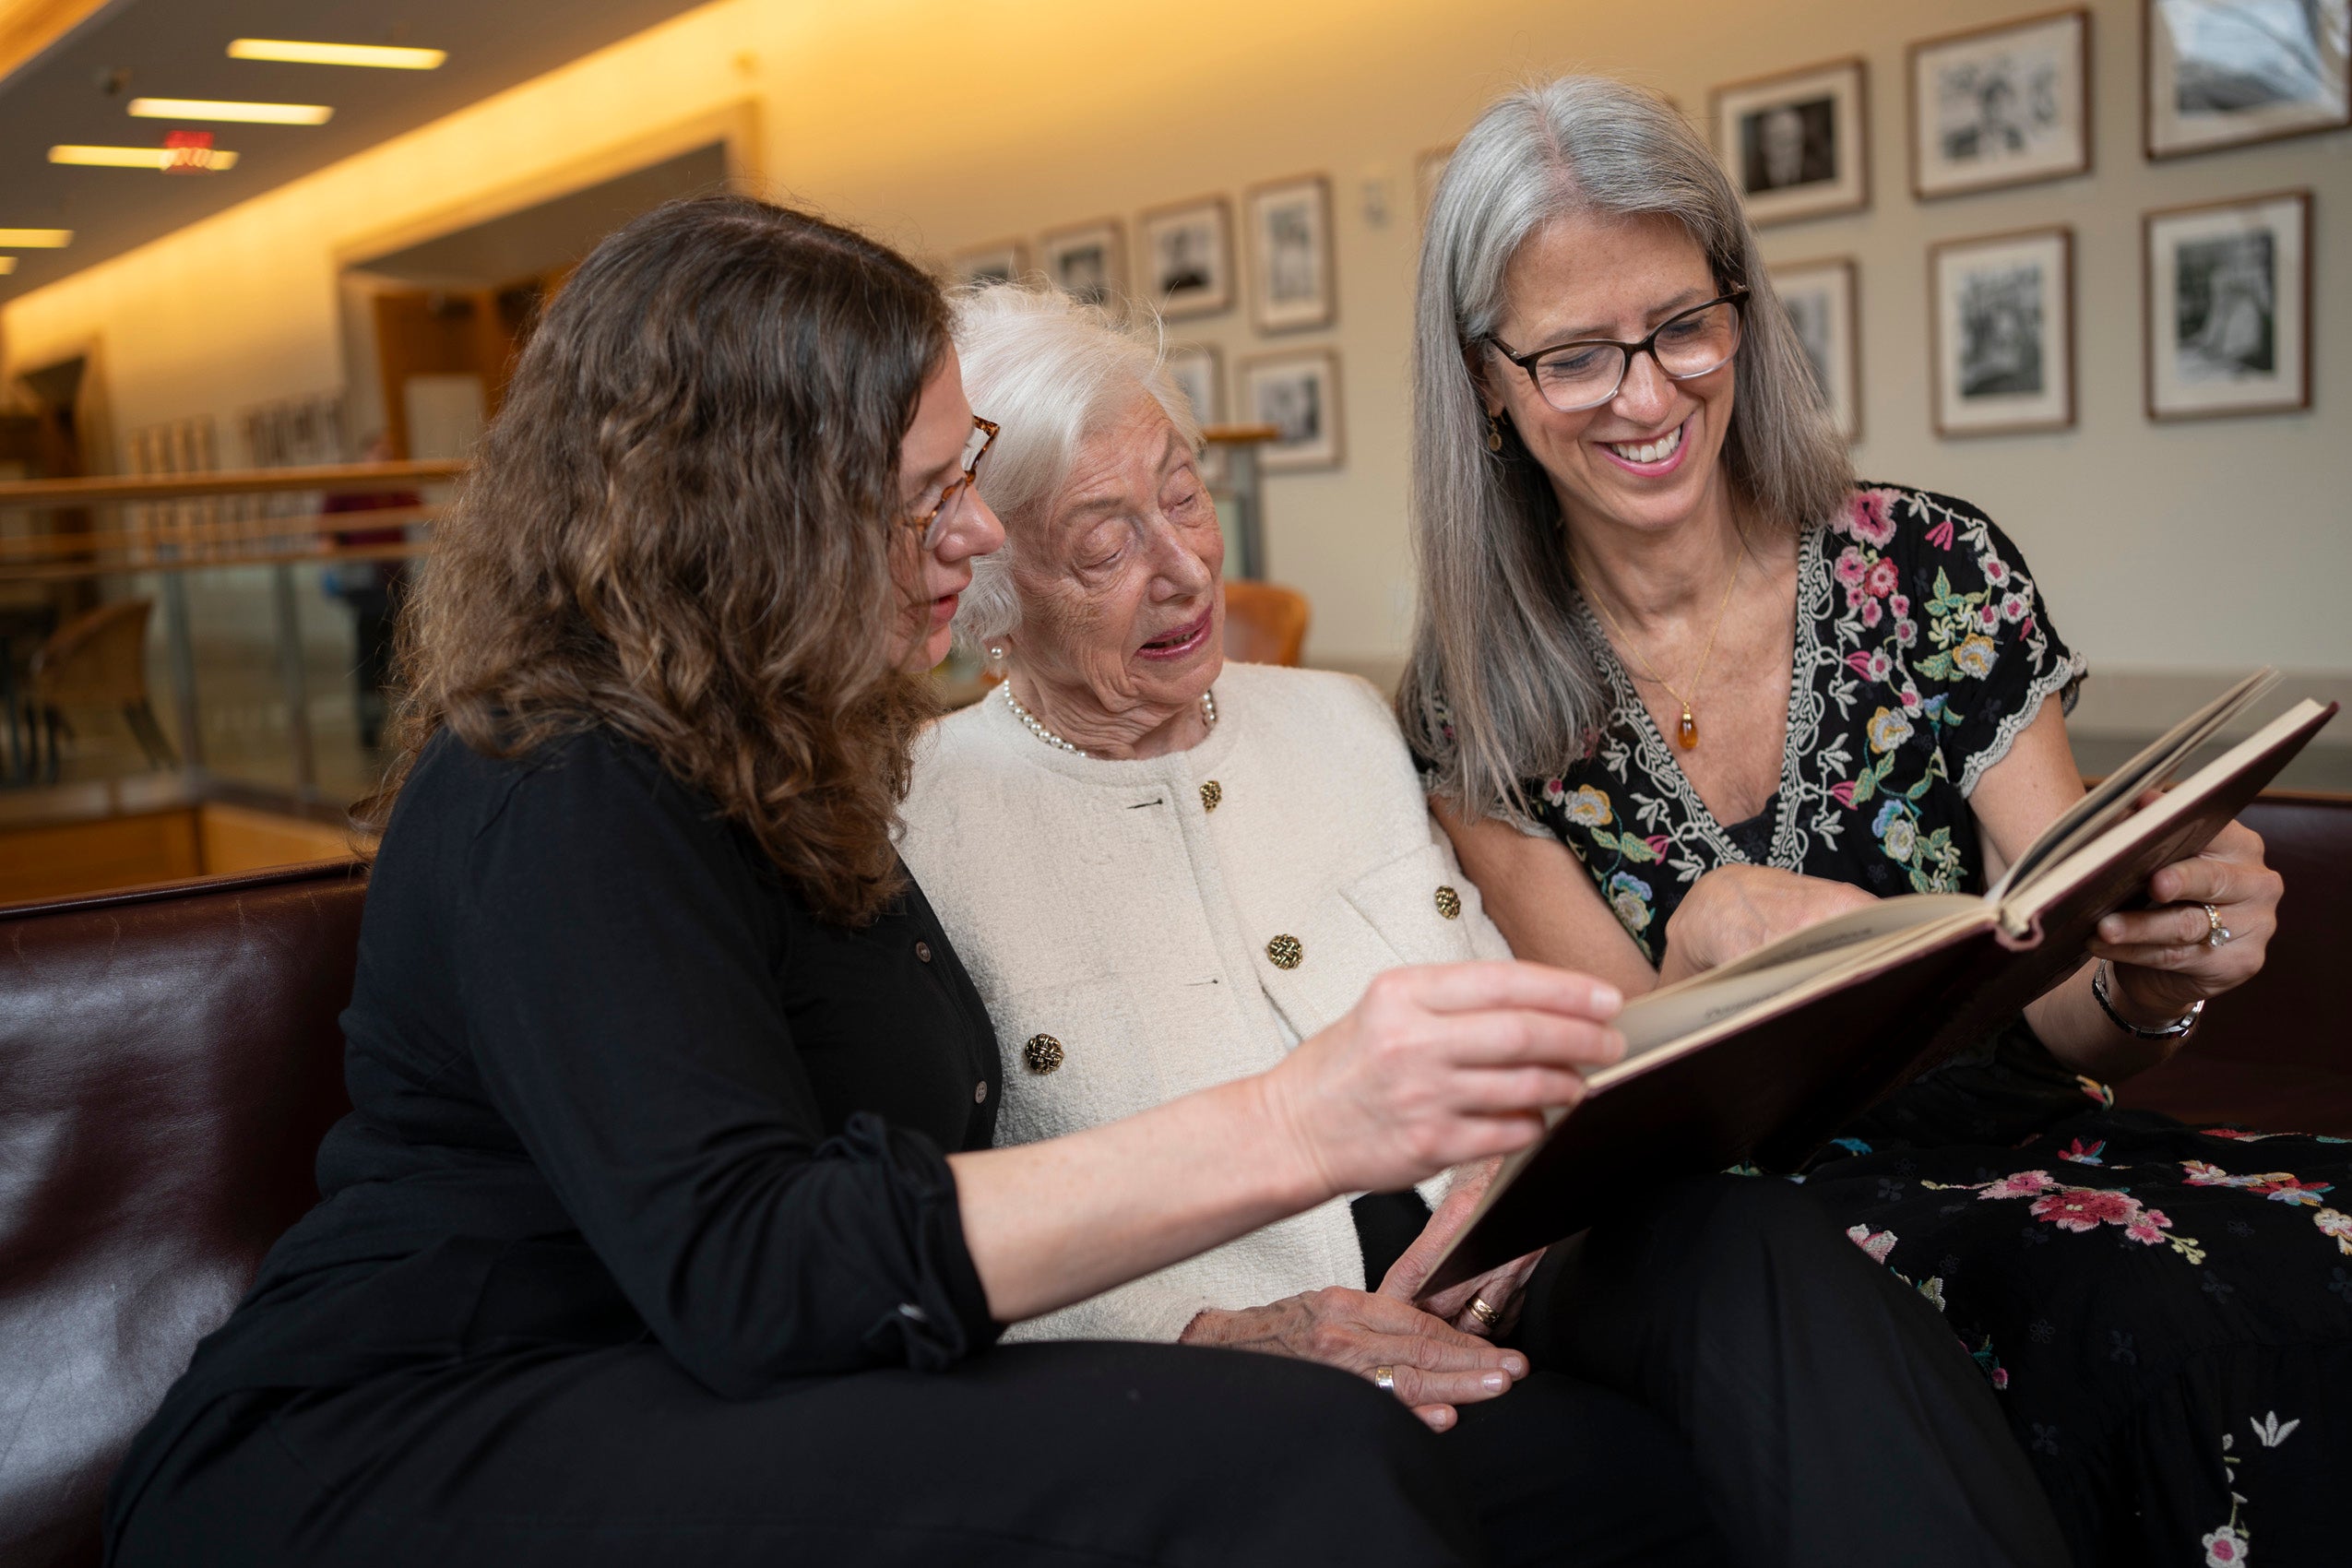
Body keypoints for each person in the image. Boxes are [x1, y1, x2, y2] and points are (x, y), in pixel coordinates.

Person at [104, 195, 1638, 1568]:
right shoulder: (559, 781)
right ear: (743, 513)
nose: (971, 535)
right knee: (1300, 1463)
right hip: (403, 1439)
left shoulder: (793, 755)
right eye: (921, 494)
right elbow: (755, 1265)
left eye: (962, 473)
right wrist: (1300, 1121)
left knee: (1590, 1474)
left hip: (689, 1386)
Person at [897, 282, 2073, 1568]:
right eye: (1101, 541)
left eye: (1182, 496)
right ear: (989, 573)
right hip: (1249, 1365)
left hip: (1519, 1255)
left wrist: (1538, 1183)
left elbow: (1509, 1015)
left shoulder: (1339, 721)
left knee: (1747, 1239)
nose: (1182, 566)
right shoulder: (922, 822)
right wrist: (1194, 1335)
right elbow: (921, 1231)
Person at [1399, 75, 2346, 1565]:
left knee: (2313, 1250)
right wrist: (1724, 958)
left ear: (1738, 311)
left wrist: (2152, 981)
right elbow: (1632, 1129)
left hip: (2035, 1148)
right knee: (2154, 1328)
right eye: (1575, 358)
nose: (1646, 396)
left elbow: (2063, 996)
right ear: (1487, 385)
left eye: (1680, 327)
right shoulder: (1479, 703)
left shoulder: (1929, 568)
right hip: (1767, 1236)